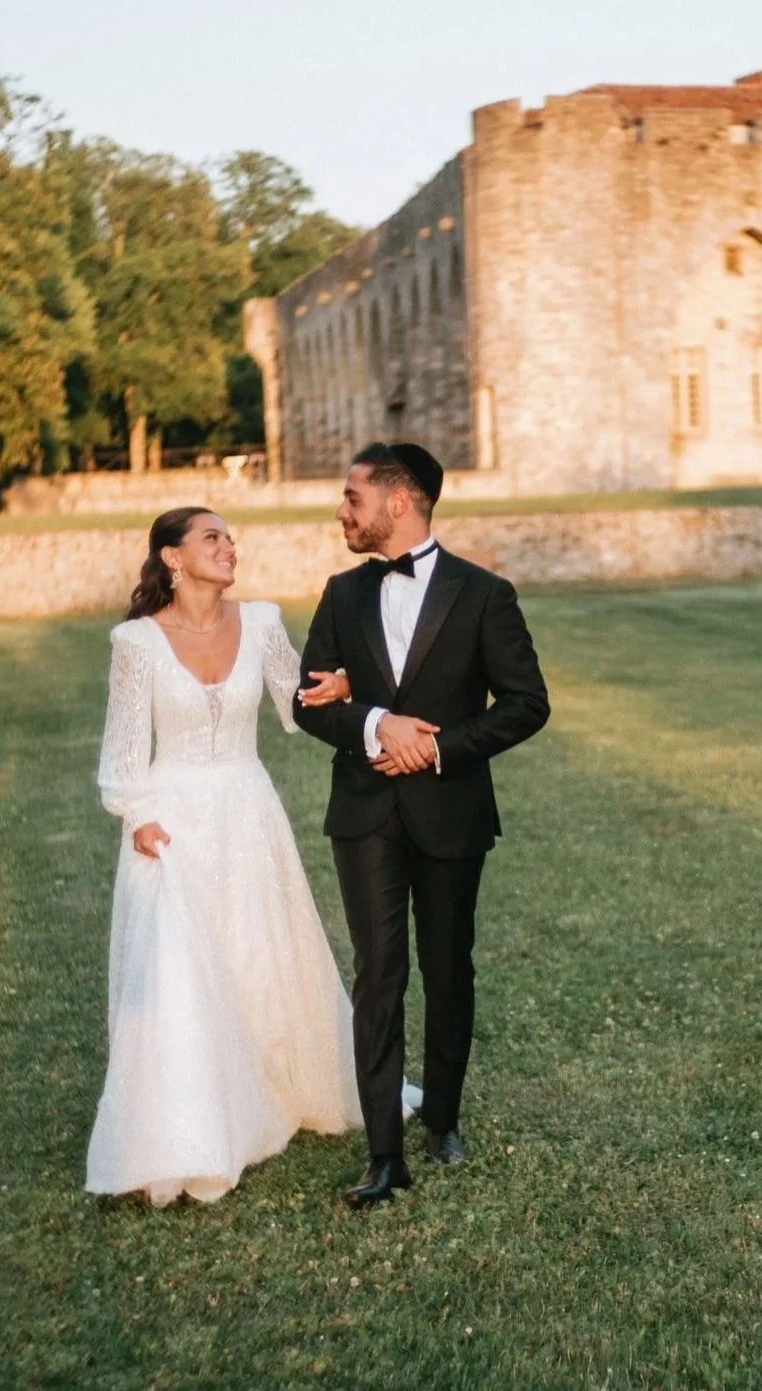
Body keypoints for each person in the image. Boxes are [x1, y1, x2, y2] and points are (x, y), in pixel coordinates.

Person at [87, 505, 407, 1206]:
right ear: (173, 557)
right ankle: (188, 1128)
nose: (230, 547)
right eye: (213, 538)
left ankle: (274, 1090)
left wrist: (348, 685)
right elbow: (123, 746)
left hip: (247, 812)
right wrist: (137, 815)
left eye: (231, 538)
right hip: (171, 822)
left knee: (260, 952)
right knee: (178, 968)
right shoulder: (136, 642)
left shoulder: (260, 622)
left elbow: (300, 707)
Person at [293, 443, 550, 1209]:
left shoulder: (484, 594)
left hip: (451, 809)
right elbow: (311, 700)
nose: (341, 511)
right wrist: (378, 724)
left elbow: (526, 704)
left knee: (446, 969)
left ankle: (442, 1120)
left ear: (398, 502)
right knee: (378, 975)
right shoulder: (341, 593)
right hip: (364, 811)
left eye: (352, 498)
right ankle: (383, 1155)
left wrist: (437, 748)